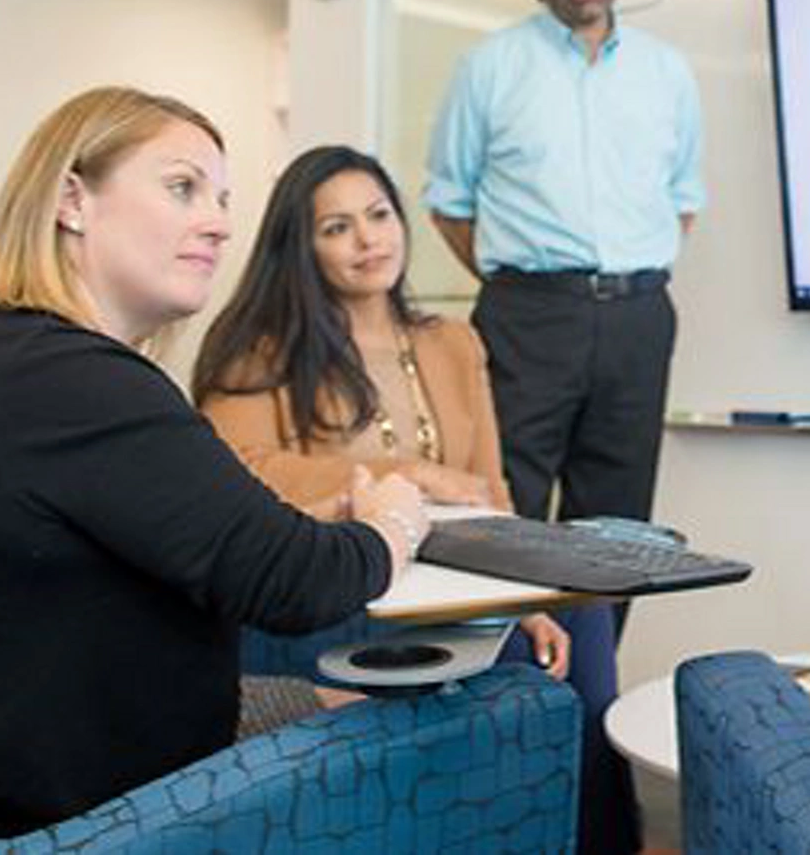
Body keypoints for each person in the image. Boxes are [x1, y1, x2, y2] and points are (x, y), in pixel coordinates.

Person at [0, 88, 427, 838]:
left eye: (221, 200)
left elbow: (165, 548)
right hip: (28, 819)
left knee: (359, 700)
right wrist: (395, 523)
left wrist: (312, 524)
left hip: (3, 760)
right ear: (72, 201)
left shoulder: (13, 353)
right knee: (452, 724)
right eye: (183, 188)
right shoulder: (72, 380)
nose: (219, 222)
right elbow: (297, 582)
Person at [193, 145, 641, 855]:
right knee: (528, 660)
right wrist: (408, 474)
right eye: (337, 227)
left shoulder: (455, 343)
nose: (368, 240)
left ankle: (594, 842)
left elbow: (491, 491)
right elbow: (238, 473)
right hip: (342, 584)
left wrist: (524, 597)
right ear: (302, 247)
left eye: (378, 215)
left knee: (578, 612)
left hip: (449, 580)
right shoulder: (261, 350)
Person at [424, 0, 706, 571]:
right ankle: (514, 644)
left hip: (639, 317)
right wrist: (528, 281)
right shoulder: (489, 67)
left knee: (621, 528)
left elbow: (682, 199)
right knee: (504, 511)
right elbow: (449, 202)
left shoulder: (666, 71)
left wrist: (623, 277)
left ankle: (595, 644)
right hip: (528, 316)